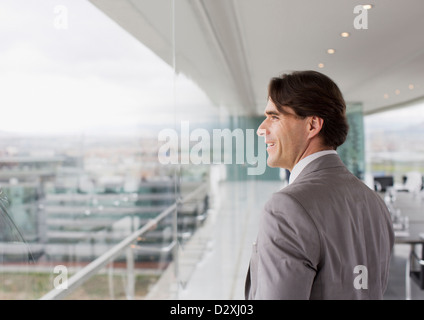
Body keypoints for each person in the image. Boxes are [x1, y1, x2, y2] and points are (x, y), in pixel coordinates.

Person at [245, 70, 394, 300]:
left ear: (312, 125)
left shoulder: (286, 207)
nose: (261, 128)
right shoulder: (374, 201)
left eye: (275, 117)